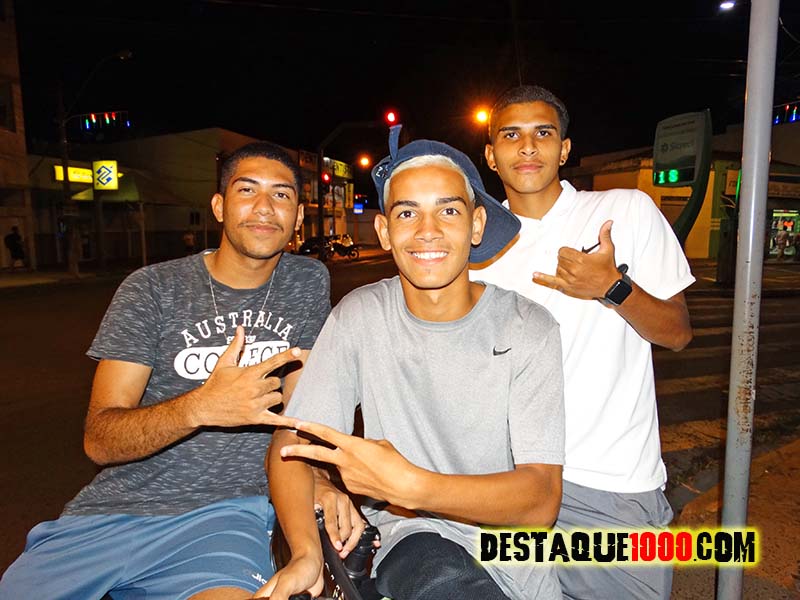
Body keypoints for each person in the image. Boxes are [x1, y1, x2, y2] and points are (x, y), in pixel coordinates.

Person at [0, 142, 358, 600]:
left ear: (298, 217)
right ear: (219, 207)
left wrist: (319, 480)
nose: (265, 207)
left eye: (281, 194)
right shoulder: (152, 289)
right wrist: (198, 408)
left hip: (223, 520)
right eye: (247, 190)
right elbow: (99, 439)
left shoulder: (305, 281)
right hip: (109, 516)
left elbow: (300, 417)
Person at [258, 127, 566, 600]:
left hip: (517, 559)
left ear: (477, 225)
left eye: (448, 210)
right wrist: (306, 554)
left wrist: (411, 485)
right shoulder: (361, 315)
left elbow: (541, 498)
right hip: (414, 542)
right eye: (407, 212)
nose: (428, 230)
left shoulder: (528, 326)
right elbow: (292, 443)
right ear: (384, 231)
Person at [470, 85, 694, 600]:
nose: (528, 147)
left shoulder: (624, 211)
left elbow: (677, 332)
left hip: (610, 485)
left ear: (564, 149)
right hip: (507, 484)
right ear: (491, 156)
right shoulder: (475, 245)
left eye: (543, 133)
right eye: (511, 135)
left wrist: (612, 287)